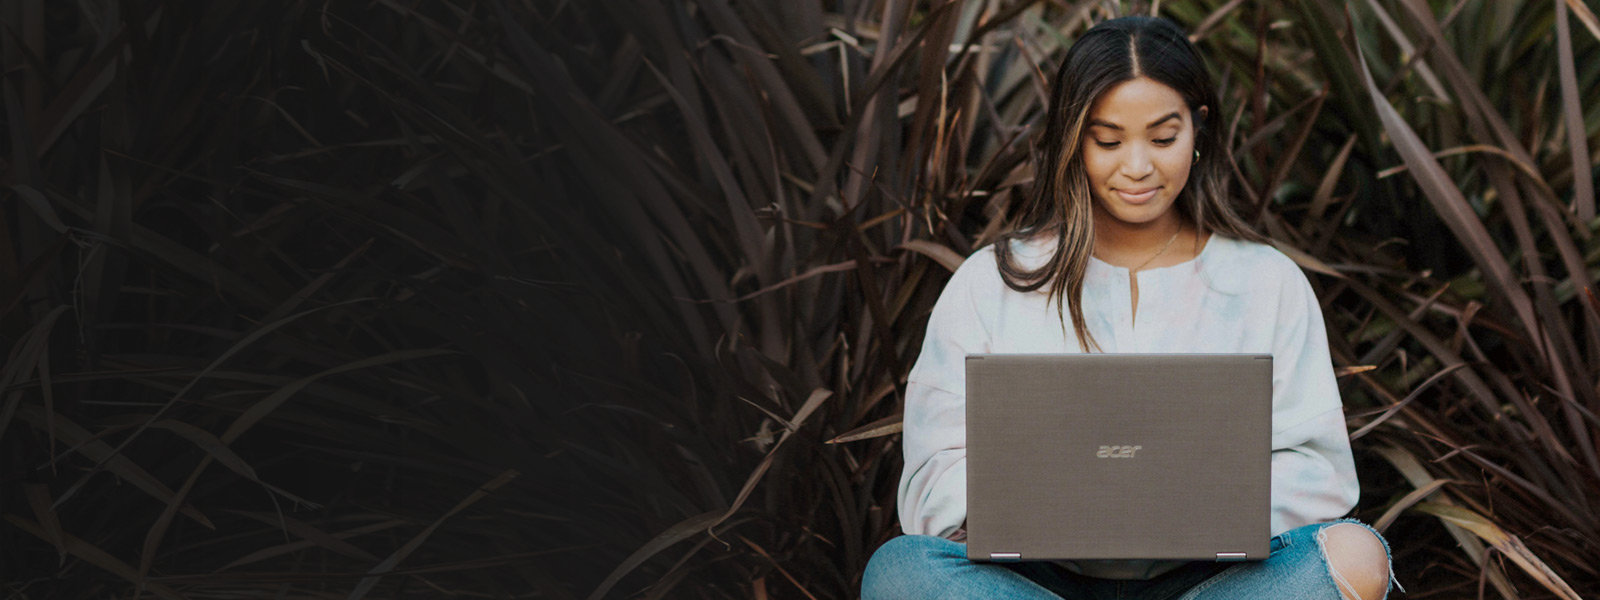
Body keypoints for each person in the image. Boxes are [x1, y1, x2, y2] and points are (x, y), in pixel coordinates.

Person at [861, 16, 1398, 600]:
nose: (1137, 167)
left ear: (1199, 131)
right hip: (1034, 582)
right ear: (1072, 139)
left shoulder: (1267, 282)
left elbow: (1320, 474)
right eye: (1109, 141)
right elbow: (931, 479)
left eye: (1163, 139)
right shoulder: (991, 282)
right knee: (900, 571)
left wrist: (1178, 507)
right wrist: (1069, 505)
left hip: (1213, 581)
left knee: (1355, 557)